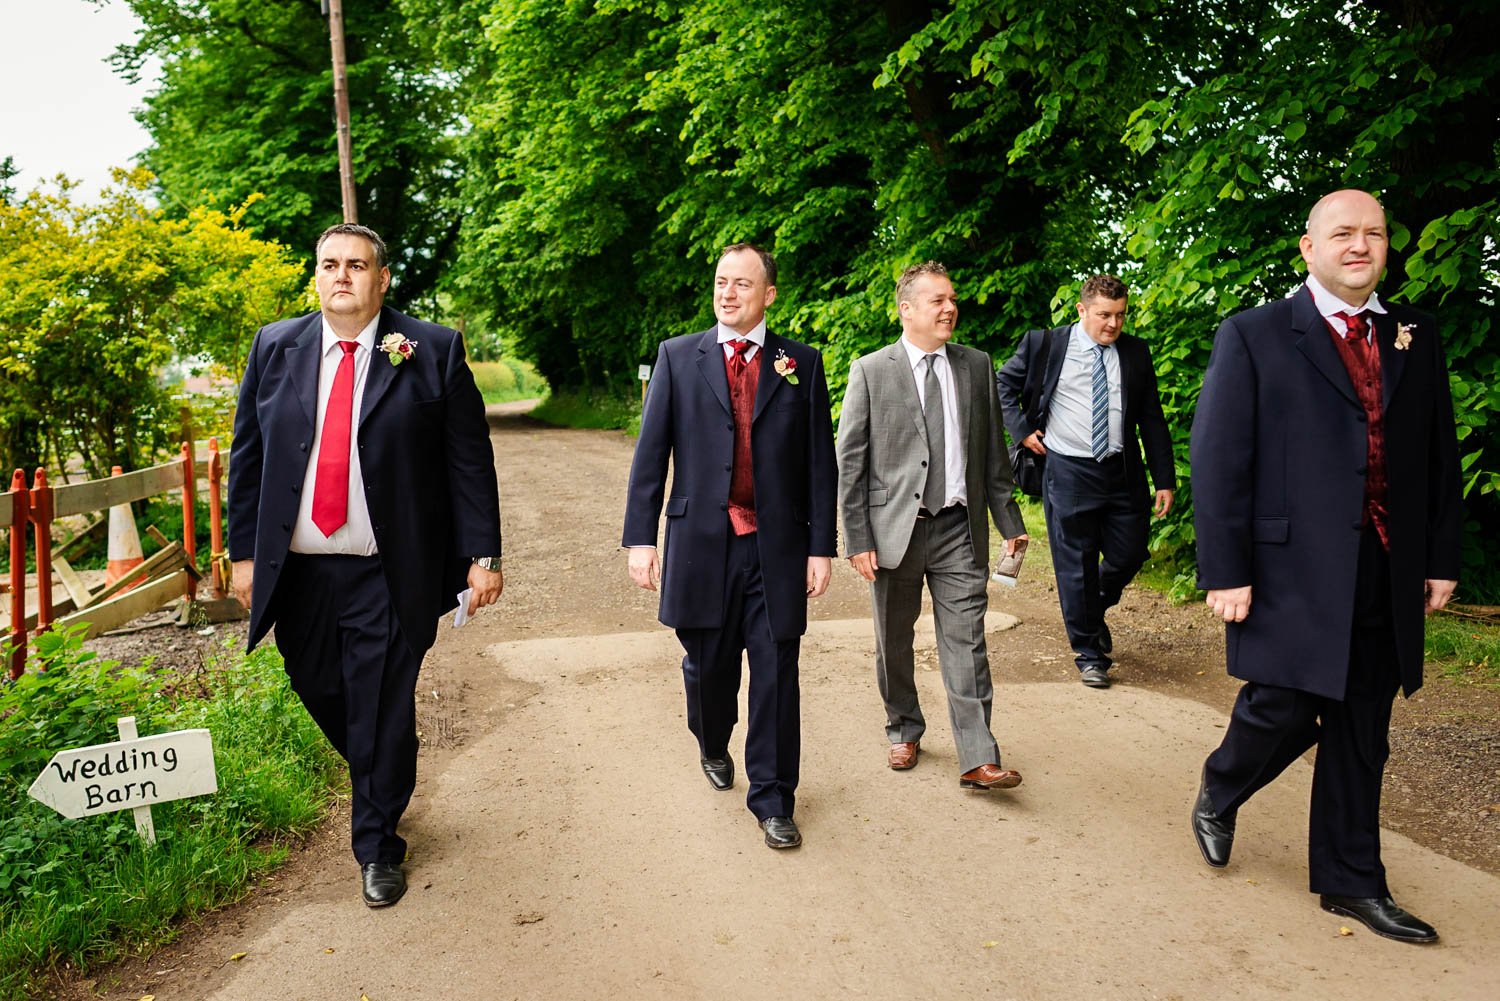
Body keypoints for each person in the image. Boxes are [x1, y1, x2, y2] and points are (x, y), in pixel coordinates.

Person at [1189, 190, 1461, 943]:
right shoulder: (1256, 334)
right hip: (1287, 567)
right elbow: (1218, 461)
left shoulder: (1415, 334)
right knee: (1281, 701)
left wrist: (1439, 557)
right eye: (1342, 233)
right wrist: (1225, 569)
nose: (1360, 245)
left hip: (1385, 564)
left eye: (1373, 233)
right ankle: (1222, 783)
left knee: (1362, 723)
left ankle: (1351, 880)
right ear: (1307, 248)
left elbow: (1438, 455)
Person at [229, 223, 503, 908]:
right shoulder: (274, 347)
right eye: (329, 264)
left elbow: (468, 459)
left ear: (382, 278)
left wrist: (483, 555)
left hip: (389, 569)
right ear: (316, 276)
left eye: (356, 265)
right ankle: (387, 766)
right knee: (319, 683)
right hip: (300, 573)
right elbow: (248, 458)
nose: (342, 276)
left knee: (379, 700)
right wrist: (241, 556)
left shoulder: (430, 349)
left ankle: (377, 847)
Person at [622, 243, 837, 850]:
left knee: (776, 669)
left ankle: (773, 797)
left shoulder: (802, 362)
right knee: (708, 668)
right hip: (700, 544)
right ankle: (712, 738)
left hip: (777, 547)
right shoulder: (677, 356)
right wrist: (641, 539)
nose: (728, 293)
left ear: (768, 294)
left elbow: (819, 464)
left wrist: (820, 547)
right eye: (722, 282)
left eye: (743, 284)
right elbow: (650, 456)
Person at [837, 261, 1028, 789]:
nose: (949, 309)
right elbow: (850, 464)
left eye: (952, 299)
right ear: (907, 309)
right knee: (893, 640)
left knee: (967, 641)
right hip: (894, 531)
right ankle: (903, 726)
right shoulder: (871, 370)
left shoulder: (976, 365)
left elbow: (992, 455)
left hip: (958, 529)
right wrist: (856, 538)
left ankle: (977, 755)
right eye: (937, 300)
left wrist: (1009, 521)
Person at [996, 275, 1175, 688]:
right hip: (1068, 470)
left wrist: (1163, 477)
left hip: (1122, 470)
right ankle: (1089, 654)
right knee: (1075, 564)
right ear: (1082, 310)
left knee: (1130, 554)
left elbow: (1151, 415)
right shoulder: (1047, 344)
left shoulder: (1134, 352)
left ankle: (1092, 609)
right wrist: (1022, 429)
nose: (1112, 324)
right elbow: (1003, 383)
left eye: (1120, 315)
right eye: (1103, 315)